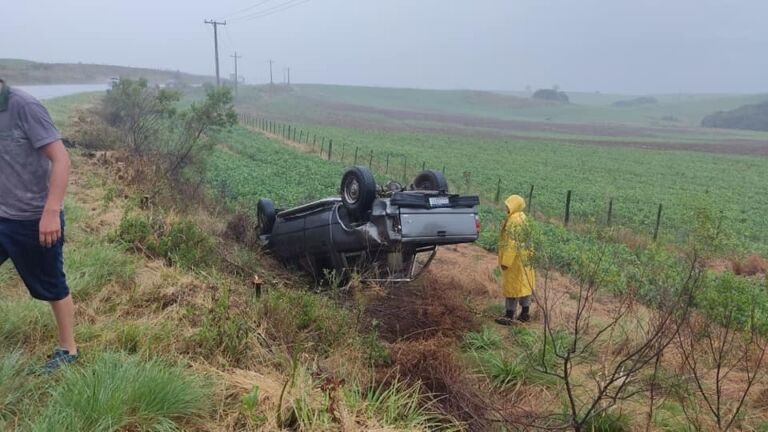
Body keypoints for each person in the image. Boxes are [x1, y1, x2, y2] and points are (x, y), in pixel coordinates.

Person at [0, 79, 77, 372]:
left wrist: (51, 212)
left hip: (33, 218)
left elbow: (61, 159)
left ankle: (68, 349)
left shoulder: (24, 106)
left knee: (52, 284)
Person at [495, 195, 535, 325]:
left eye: (508, 205)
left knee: (512, 287)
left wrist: (506, 262)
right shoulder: (523, 217)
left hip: (515, 261)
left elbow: (511, 244)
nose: (506, 207)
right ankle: (525, 314)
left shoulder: (513, 221)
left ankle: (508, 316)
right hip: (526, 259)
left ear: (514, 206)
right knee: (525, 286)